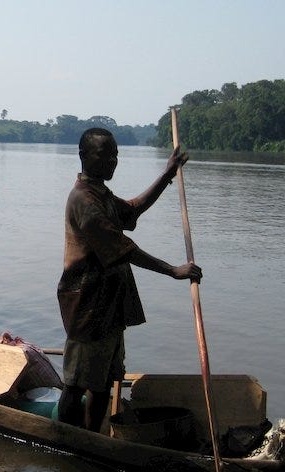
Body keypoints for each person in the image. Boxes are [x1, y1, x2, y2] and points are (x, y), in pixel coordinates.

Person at [56, 127, 202, 431]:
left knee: (102, 384)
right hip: (88, 306)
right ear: (83, 156)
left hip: (110, 305)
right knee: (76, 383)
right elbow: (123, 249)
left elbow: (132, 210)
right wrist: (172, 270)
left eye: (115, 155)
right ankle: (65, 439)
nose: (112, 161)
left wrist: (167, 174)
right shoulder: (83, 199)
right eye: (104, 155)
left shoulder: (101, 194)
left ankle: (92, 439)